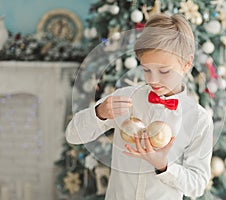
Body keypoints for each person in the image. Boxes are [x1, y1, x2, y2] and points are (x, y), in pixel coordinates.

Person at [66, 13, 213, 200]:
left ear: (187, 63)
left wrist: (163, 165)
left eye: (164, 71)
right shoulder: (125, 98)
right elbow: (73, 135)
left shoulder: (198, 120)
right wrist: (100, 113)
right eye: (146, 70)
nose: (153, 79)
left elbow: (198, 185)